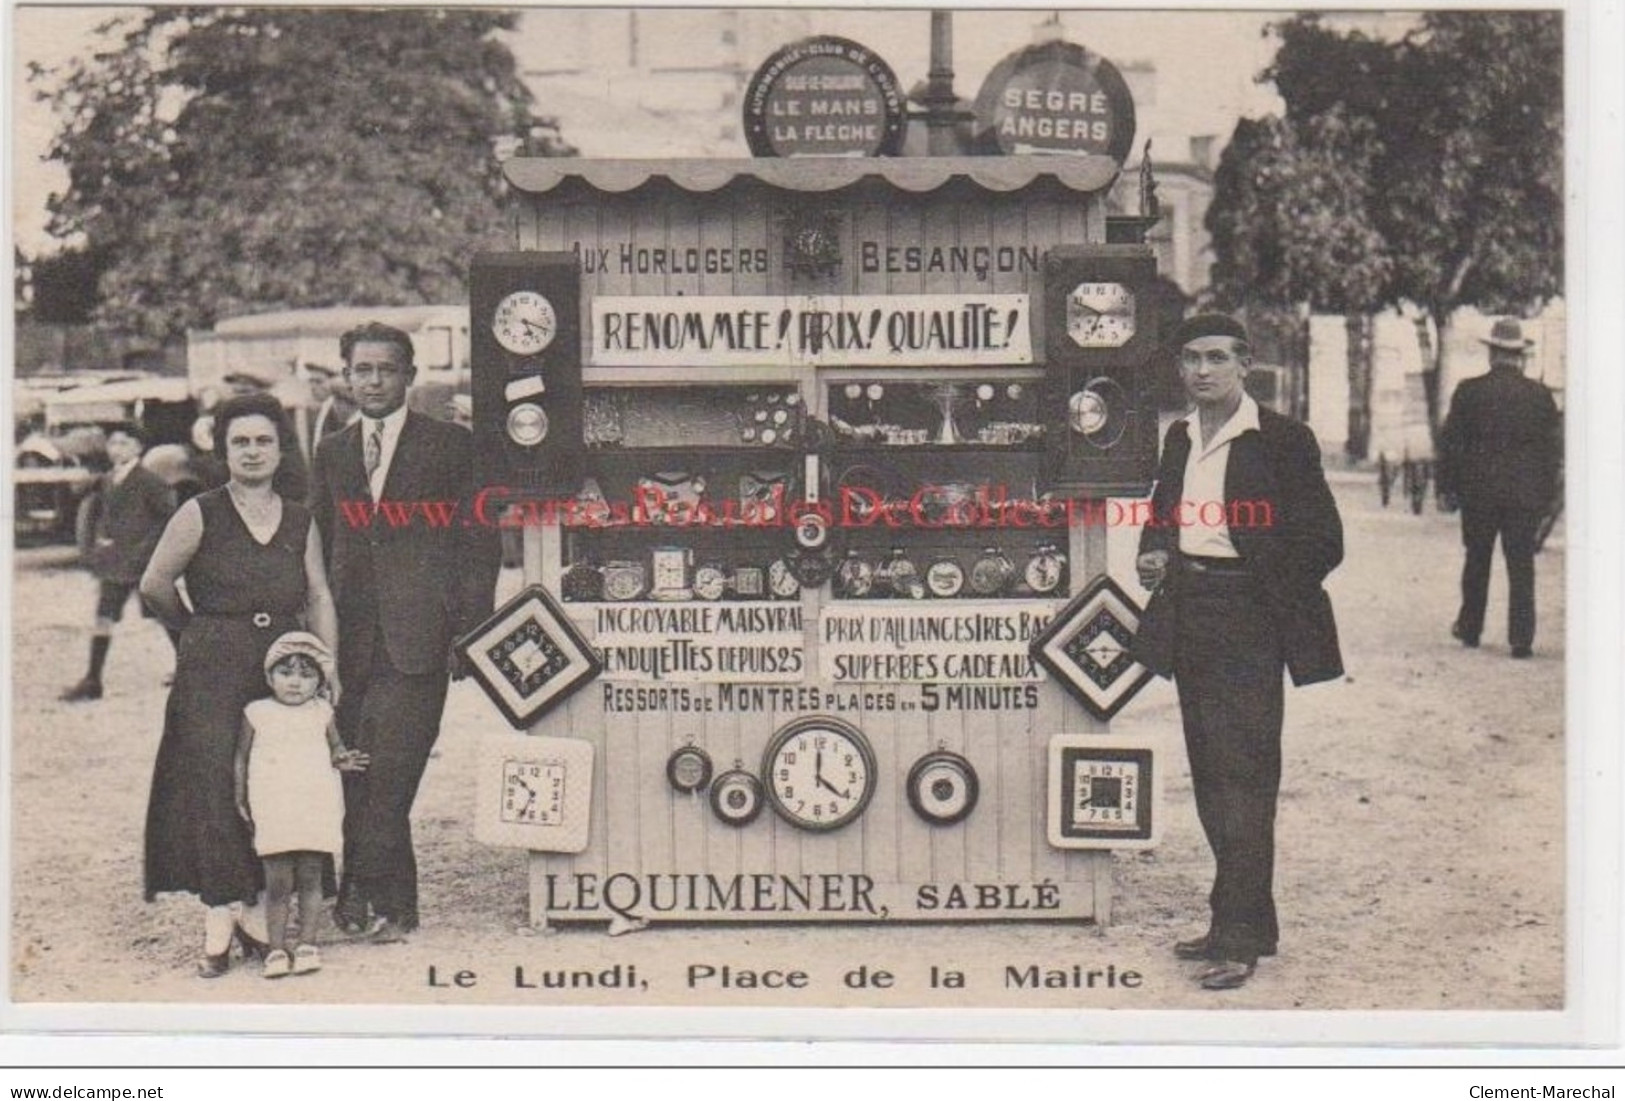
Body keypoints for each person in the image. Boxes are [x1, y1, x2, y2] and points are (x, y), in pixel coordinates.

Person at [1132, 313, 1344, 991]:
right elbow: (1161, 517)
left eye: (1215, 358)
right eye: (1190, 358)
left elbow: (1322, 541)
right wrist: (1154, 552)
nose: (1200, 371)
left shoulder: (1281, 440)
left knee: (1245, 778)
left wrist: (1258, 586)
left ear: (1244, 365)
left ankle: (1236, 935)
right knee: (1209, 772)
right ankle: (1252, 919)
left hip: (1248, 619)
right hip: (1189, 615)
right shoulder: (1178, 437)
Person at [310, 322, 501, 942]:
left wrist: (469, 632)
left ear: (409, 376)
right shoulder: (333, 451)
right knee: (358, 775)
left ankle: (356, 894)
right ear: (346, 376)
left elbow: (480, 544)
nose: (372, 381)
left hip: (420, 638)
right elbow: (323, 546)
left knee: (392, 773)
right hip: (350, 641)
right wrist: (314, 636)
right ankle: (396, 907)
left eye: (385, 369)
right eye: (361, 370)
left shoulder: (451, 446)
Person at [140, 392, 341, 978]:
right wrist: (196, 636)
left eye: (263, 441)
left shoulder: (300, 516)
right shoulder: (199, 511)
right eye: (240, 442)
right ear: (222, 451)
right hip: (213, 665)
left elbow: (320, 594)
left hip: (283, 663)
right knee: (214, 779)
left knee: (277, 779)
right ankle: (219, 914)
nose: (252, 452)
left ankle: (258, 908)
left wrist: (327, 667)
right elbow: (156, 583)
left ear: (281, 450)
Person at [235, 632, 368, 978]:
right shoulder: (256, 713)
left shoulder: (321, 712)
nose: (295, 682)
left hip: (314, 802)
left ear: (320, 683)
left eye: (306, 675)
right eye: (286, 672)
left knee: (311, 876)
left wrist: (343, 758)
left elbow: (334, 747)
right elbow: (241, 758)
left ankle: (308, 943)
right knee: (278, 881)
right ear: (269, 677)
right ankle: (277, 949)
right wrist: (239, 795)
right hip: (274, 803)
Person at [1436, 317, 1562, 659]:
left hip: (1479, 493)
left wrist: (1446, 487)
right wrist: (1548, 496)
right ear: (1519, 356)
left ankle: (1471, 627)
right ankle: (1521, 638)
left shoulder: (1469, 392)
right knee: (1521, 565)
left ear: (1492, 353)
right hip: (1524, 497)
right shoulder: (1540, 397)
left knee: (1477, 559)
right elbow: (1553, 452)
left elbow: (1450, 445)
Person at [61, 424, 177, 701]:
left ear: (139, 448)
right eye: (112, 443)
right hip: (116, 563)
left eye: (124, 443)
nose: (116, 449)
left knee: (165, 615)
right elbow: (98, 516)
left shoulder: (151, 481)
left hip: (145, 564)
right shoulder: (107, 480)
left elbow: (168, 520)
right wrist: (96, 546)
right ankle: (93, 680)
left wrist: (147, 552)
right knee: (104, 616)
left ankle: (193, 670)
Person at [296, 363, 359, 462]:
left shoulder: (341, 408)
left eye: (319, 382)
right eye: (311, 382)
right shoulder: (313, 412)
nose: (313, 387)